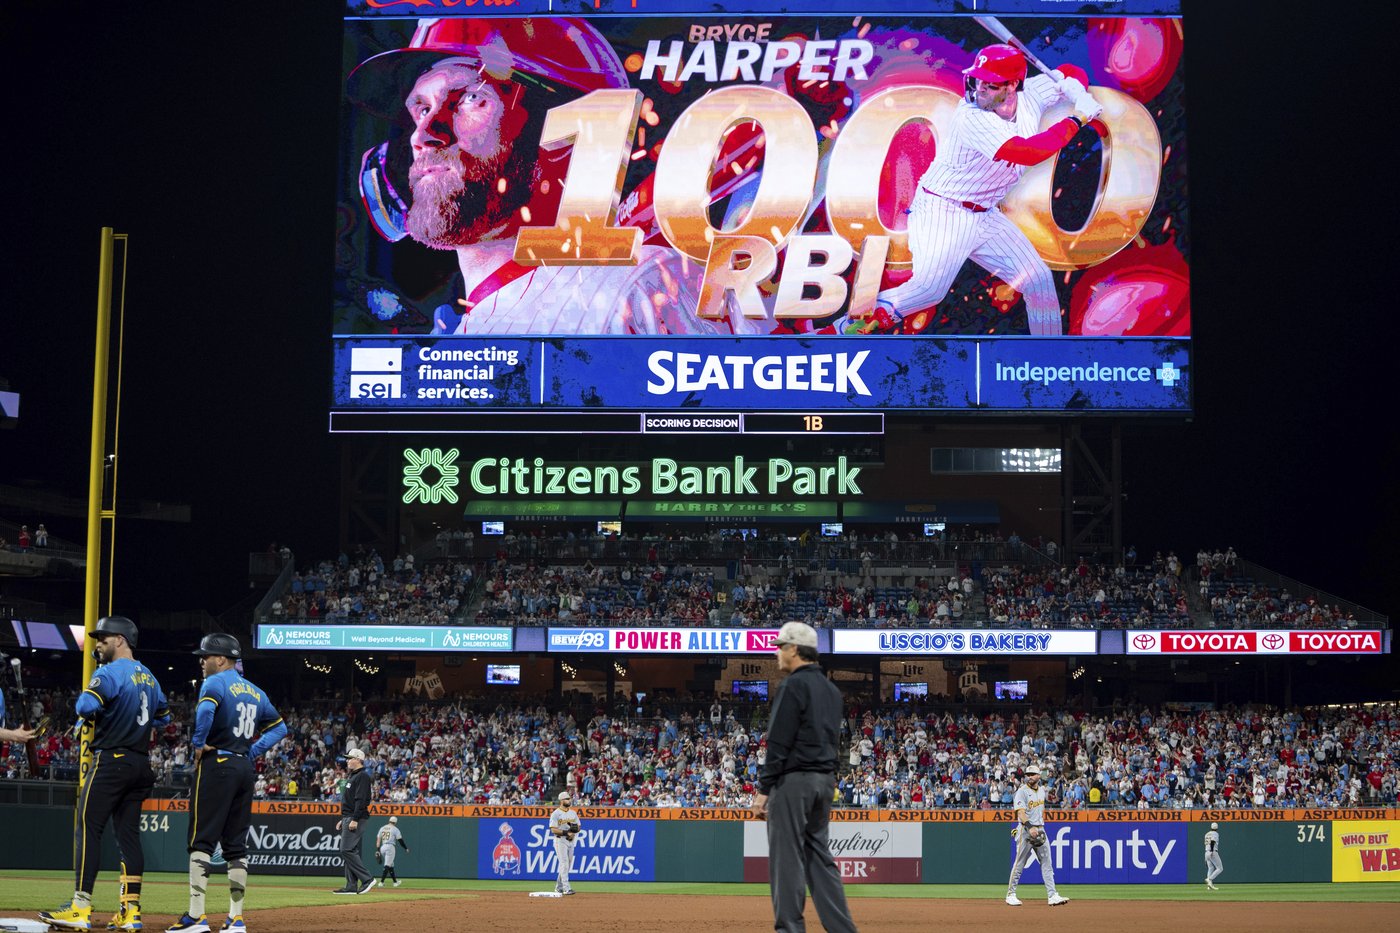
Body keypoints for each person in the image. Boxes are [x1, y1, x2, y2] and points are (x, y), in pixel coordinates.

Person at [348, 18, 745, 336]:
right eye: (421, 108)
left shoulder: (639, 287)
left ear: (563, 134)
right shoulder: (464, 331)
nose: (424, 133)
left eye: (471, 98)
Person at [871, 44, 1102, 336]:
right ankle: (846, 327)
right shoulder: (971, 117)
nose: (980, 89)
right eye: (978, 80)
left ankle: (1049, 359)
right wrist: (1077, 118)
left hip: (984, 213)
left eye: (990, 84)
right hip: (943, 211)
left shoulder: (1031, 94)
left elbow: (1071, 71)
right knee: (928, 291)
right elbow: (1028, 152)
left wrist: (1075, 87)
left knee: (1039, 281)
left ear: (1013, 85)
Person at [40, 616, 170, 933]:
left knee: (88, 828)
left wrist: (99, 710)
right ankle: (131, 912)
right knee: (128, 838)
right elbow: (163, 719)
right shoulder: (151, 678)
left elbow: (85, 705)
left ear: (121, 640)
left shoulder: (109, 672)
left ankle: (80, 908)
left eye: (103, 638)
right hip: (140, 764)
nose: (98, 644)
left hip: (112, 760)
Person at [167, 634, 287, 933]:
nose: (201, 661)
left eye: (205, 656)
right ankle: (236, 919)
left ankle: (196, 916)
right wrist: (252, 751)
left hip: (217, 763)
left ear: (221, 659)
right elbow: (280, 727)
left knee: (201, 840)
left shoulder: (215, 683)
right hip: (243, 769)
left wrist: (197, 743)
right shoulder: (257, 692)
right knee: (236, 846)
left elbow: (205, 711)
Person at [750, 621, 857, 933]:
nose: (777, 654)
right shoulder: (832, 689)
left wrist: (763, 791)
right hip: (824, 782)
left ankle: (790, 929)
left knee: (787, 859)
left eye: (781, 647)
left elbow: (779, 742)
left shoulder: (792, 685)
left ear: (794, 649)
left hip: (794, 782)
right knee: (819, 858)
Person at [1005, 764, 1068, 907]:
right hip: (1026, 830)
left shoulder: (1041, 791)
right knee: (1020, 863)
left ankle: (1052, 895)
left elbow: (1040, 810)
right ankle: (1010, 894)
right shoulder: (1022, 791)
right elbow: (1020, 813)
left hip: (1040, 829)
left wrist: (1038, 827)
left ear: (1039, 776)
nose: (1030, 776)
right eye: (1028, 774)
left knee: (1047, 863)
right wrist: (1028, 827)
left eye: (1033, 774)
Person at [334, 748, 376, 895]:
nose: (347, 761)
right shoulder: (354, 776)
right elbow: (351, 801)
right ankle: (351, 885)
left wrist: (354, 819)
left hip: (355, 817)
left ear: (358, 759)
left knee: (346, 849)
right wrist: (343, 818)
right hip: (349, 816)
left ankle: (367, 879)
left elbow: (362, 800)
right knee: (349, 850)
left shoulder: (362, 776)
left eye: (350, 758)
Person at [549, 791, 581, 895]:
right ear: (562, 800)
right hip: (560, 840)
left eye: (569, 798)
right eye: (567, 799)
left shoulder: (573, 813)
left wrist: (574, 830)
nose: (569, 800)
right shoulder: (556, 813)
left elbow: (578, 826)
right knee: (564, 863)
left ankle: (558, 887)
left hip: (571, 841)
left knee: (567, 864)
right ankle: (567, 888)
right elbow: (553, 829)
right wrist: (567, 832)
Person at [376, 815, 410, 887]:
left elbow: (378, 840)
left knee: (391, 865)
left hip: (383, 847)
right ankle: (381, 882)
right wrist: (405, 848)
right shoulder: (395, 829)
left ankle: (395, 882)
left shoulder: (382, 828)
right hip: (390, 847)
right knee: (387, 865)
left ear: (389, 821)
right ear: (395, 822)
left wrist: (378, 850)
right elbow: (400, 840)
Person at [1205, 822, 1223, 890]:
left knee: (1211, 868)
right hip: (1212, 851)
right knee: (1220, 868)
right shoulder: (1215, 833)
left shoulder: (1207, 834)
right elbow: (1213, 841)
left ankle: (1209, 886)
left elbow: (1207, 844)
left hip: (1206, 852)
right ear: (1217, 828)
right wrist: (1212, 851)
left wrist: (1206, 856)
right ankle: (1209, 879)